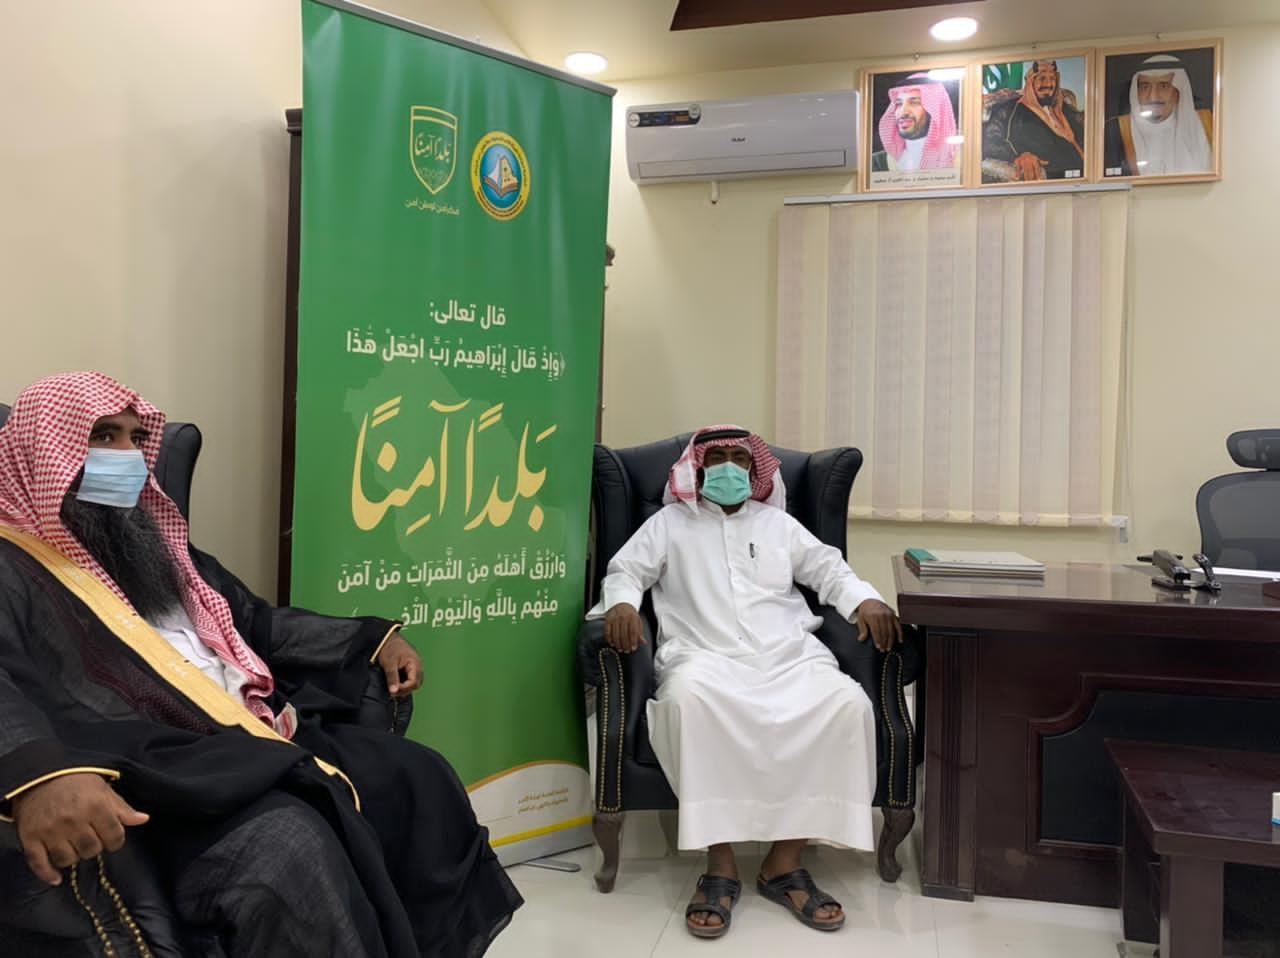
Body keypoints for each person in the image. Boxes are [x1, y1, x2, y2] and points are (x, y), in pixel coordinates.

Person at [0, 372, 522, 957]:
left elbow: (252, 620)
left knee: (416, 778)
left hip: (249, 735)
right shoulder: (11, 562)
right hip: (156, 763)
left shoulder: (155, 546)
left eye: (135, 438)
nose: (128, 456)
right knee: (289, 843)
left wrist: (371, 639)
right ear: (44, 451)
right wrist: (39, 772)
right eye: (103, 437)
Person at [598, 426, 902, 939]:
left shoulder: (778, 524)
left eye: (739, 458)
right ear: (697, 468)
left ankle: (785, 862)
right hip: (704, 656)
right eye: (716, 456)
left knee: (845, 704)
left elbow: (829, 570)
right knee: (689, 703)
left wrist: (866, 600)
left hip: (788, 655)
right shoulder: (669, 523)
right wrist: (623, 604)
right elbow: (626, 570)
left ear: (755, 469)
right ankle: (720, 864)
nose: (728, 466)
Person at [1103, 54, 1213, 177]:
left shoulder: (1207, 125)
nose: (1153, 97)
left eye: (1163, 86)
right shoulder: (1114, 131)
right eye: (1145, 87)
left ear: (1178, 92)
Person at [982, 60, 1086, 182]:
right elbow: (989, 141)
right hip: (1050, 181)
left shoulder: (1064, 110)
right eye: (1042, 78)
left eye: (1052, 78)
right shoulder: (1009, 109)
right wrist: (1019, 156)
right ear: (1030, 82)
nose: (1048, 84)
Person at [870, 77, 960, 173]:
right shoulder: (876, 163)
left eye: (914, 103)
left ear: (935, 110)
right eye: (899, 104)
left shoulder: (961, 158)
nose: (903, 112)